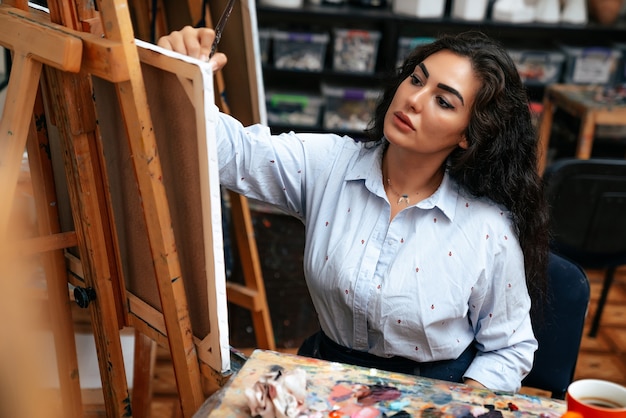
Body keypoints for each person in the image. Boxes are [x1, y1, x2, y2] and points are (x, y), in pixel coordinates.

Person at [158, 27, 549, 393]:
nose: (413, 100)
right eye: (416, 79)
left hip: (431, 394)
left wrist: (455, 407)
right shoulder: (331, 165)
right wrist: (185, 76)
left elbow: (510, 349)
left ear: (468, 134)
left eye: (443, 101)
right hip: (326, 381)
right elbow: (236, 155)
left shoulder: (485, 228)